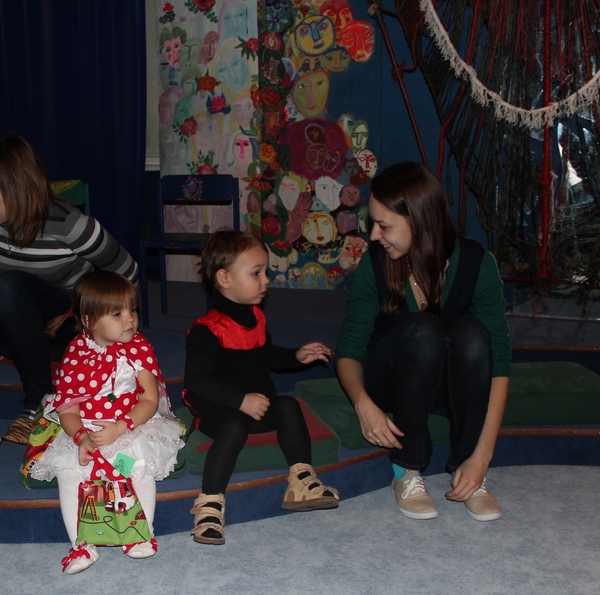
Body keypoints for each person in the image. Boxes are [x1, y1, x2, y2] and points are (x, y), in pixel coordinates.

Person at [335, 162, 511, 522]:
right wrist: (363, 403)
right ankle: (407, 469)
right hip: (390, 378)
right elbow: (349, 350)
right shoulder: (376, 262)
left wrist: (482, 456)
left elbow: (499, 362)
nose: (374, 235)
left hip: (447, 384)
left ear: (420, 221)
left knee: (473, 333)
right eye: (373, 224)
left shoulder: (477, 262)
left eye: (384, 226)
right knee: (425, 328)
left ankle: (468, 471)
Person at [183, 230, 339, 545]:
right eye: (256, 273)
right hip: (217, 409)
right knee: (234, 426)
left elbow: (265, 354)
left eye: (265, 271)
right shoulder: (208, 330)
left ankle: (301, 480)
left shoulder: (256, 317)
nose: (266, 280)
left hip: (254, 404)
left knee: (289, 406)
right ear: (225, 279)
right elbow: (196, 382)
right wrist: (240, 400)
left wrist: (296, 356)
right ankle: (209, 505)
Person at [30, 271, 184, 574]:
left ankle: (140, 533)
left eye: (132, 310)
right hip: (86, 430)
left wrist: (121, 428)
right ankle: (81, 544)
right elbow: (68, 410)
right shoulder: (76, 354)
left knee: (133, 468)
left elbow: (149, 400)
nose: (130, 319)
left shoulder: (139, 348)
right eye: (117, 313)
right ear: (89, 320)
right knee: (71, 473)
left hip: (129, 427)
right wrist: (81, 437)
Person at [0, 133, 139, 445]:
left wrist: (124, 330)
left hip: (70, 329)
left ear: (17, 188)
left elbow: (127, 271)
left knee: (8, 287)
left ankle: (37, 402)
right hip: (21, 329)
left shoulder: (69, 225)